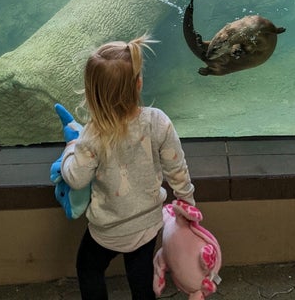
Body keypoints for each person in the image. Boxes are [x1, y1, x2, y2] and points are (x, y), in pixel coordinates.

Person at [59, 34, 195, 300]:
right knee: (140, 277)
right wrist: (187, 202)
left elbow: (76, 178)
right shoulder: (158, 121)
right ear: (139, 83)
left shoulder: (92, 135)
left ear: (91, 92)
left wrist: (68, 152)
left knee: (88, 268)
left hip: (108, 228)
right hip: (147, 223)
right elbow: (176, 168)